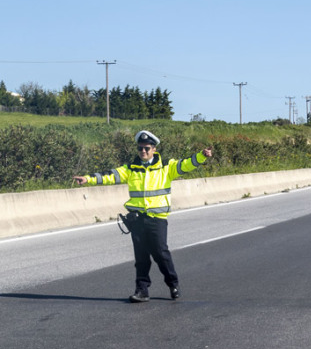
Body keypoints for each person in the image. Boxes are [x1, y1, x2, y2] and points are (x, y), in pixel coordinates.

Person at [74, 130, 213, 303]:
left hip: (157, 219)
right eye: (140, 148)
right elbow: (110, 175)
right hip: (137, 219)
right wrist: (88, 179)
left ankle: (173, 284)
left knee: (161, 254)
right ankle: (142, 290)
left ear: (154, 149)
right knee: (141, 257)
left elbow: (185, 165)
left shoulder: (166, 167)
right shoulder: (131, 169)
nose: (143, 151)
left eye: (147, 148)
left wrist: (201, 156)